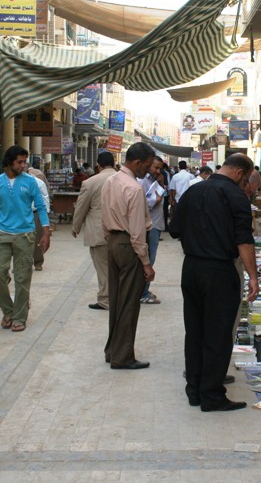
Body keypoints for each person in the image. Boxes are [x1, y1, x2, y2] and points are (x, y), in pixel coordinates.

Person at [169, 153, 259, 412]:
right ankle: (212, 394)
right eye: (245, 182)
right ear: (240, 173)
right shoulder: (235, 197)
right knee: (218, 333)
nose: (245, 187)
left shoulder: (193, 192)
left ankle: (195, 389)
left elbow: (175, 230)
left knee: (195, 329)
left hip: (192, 267)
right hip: (219, 270)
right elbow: (244, 240)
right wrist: (253, 276)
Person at [101, 142, 155, 369]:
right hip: (128, 244)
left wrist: (111, 241)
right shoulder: (134, 188)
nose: (149, 170)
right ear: (137, 163)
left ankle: (112, 350)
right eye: (147, 165)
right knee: (129, 302)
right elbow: (137, 232)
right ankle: (122, 356)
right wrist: (146, 263)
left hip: (113, 241)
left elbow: (103, 217)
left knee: (116, 300)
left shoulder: (110, 181)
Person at [0, 145, 51, 333]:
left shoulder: (31, 182)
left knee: (22, 277)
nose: (23, 165)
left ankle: (20, 316)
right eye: (19, 162)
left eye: (24, 162)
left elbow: (40, 206)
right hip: (3, 233)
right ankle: (8, 310)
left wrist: (45, 233)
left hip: (26, 234)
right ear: (9, 162)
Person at [72, 152, 117, 310]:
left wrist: (75, 227)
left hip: (98, 231)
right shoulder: (124, 180)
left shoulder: (90, 182)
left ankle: (105, 299)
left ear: (98, 165)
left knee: (103, 267)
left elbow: (81, 206)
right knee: (117, 267)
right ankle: (118, 297)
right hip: (122, 231)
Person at [138, 155, 166, 305]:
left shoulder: (153, 181)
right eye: (155, 167)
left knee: (150, 259)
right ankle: (142, 293)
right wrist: (156, 200)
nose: (158, 170)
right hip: (150, 226)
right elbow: (141, 205)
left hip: (155, 224)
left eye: (160, 168)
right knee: (148, 260)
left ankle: (144, 290)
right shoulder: (142, 182)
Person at [27, 164, 50, 272]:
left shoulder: (38, 182)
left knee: (36, 238)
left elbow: (45, 199)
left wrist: (45, 217)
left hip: (36, 212)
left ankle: (38, 262)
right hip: (21, 213)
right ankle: (22, 262)